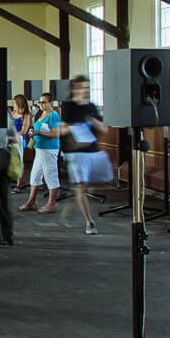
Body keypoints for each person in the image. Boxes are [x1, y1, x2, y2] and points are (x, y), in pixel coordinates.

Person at [59, 75, 112, 236]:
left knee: (89, 186)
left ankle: (71, 202)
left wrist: (93, 121)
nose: (85, 90)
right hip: (75, 152)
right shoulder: (68, 106)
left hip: (92, 150)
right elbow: (62, 129)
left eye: (87, 87)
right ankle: (90, 223)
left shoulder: (92, 107)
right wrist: (75, 129)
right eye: (82, 87)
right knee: (82, 187)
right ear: (74, 89)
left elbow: (104, 130)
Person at [20, 92, 62, 213]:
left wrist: (39, 133)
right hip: (40, 148)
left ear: (51, 103)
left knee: (50, 174)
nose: (41, 104)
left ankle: (52, 203)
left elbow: (55, 134)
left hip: (49, 149)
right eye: (40, 102)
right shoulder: (42, 114)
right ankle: (31, 201)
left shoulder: (53, 116)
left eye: (44, 102)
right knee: (35, 175)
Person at [8, 94, 33, 194]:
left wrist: (13, 135)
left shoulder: (26, 114)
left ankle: (18, 185)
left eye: (15, 102)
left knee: (18, 162)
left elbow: (24, 130)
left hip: (18, 139)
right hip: (10, 139)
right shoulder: (13, 112)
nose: (13, 104)